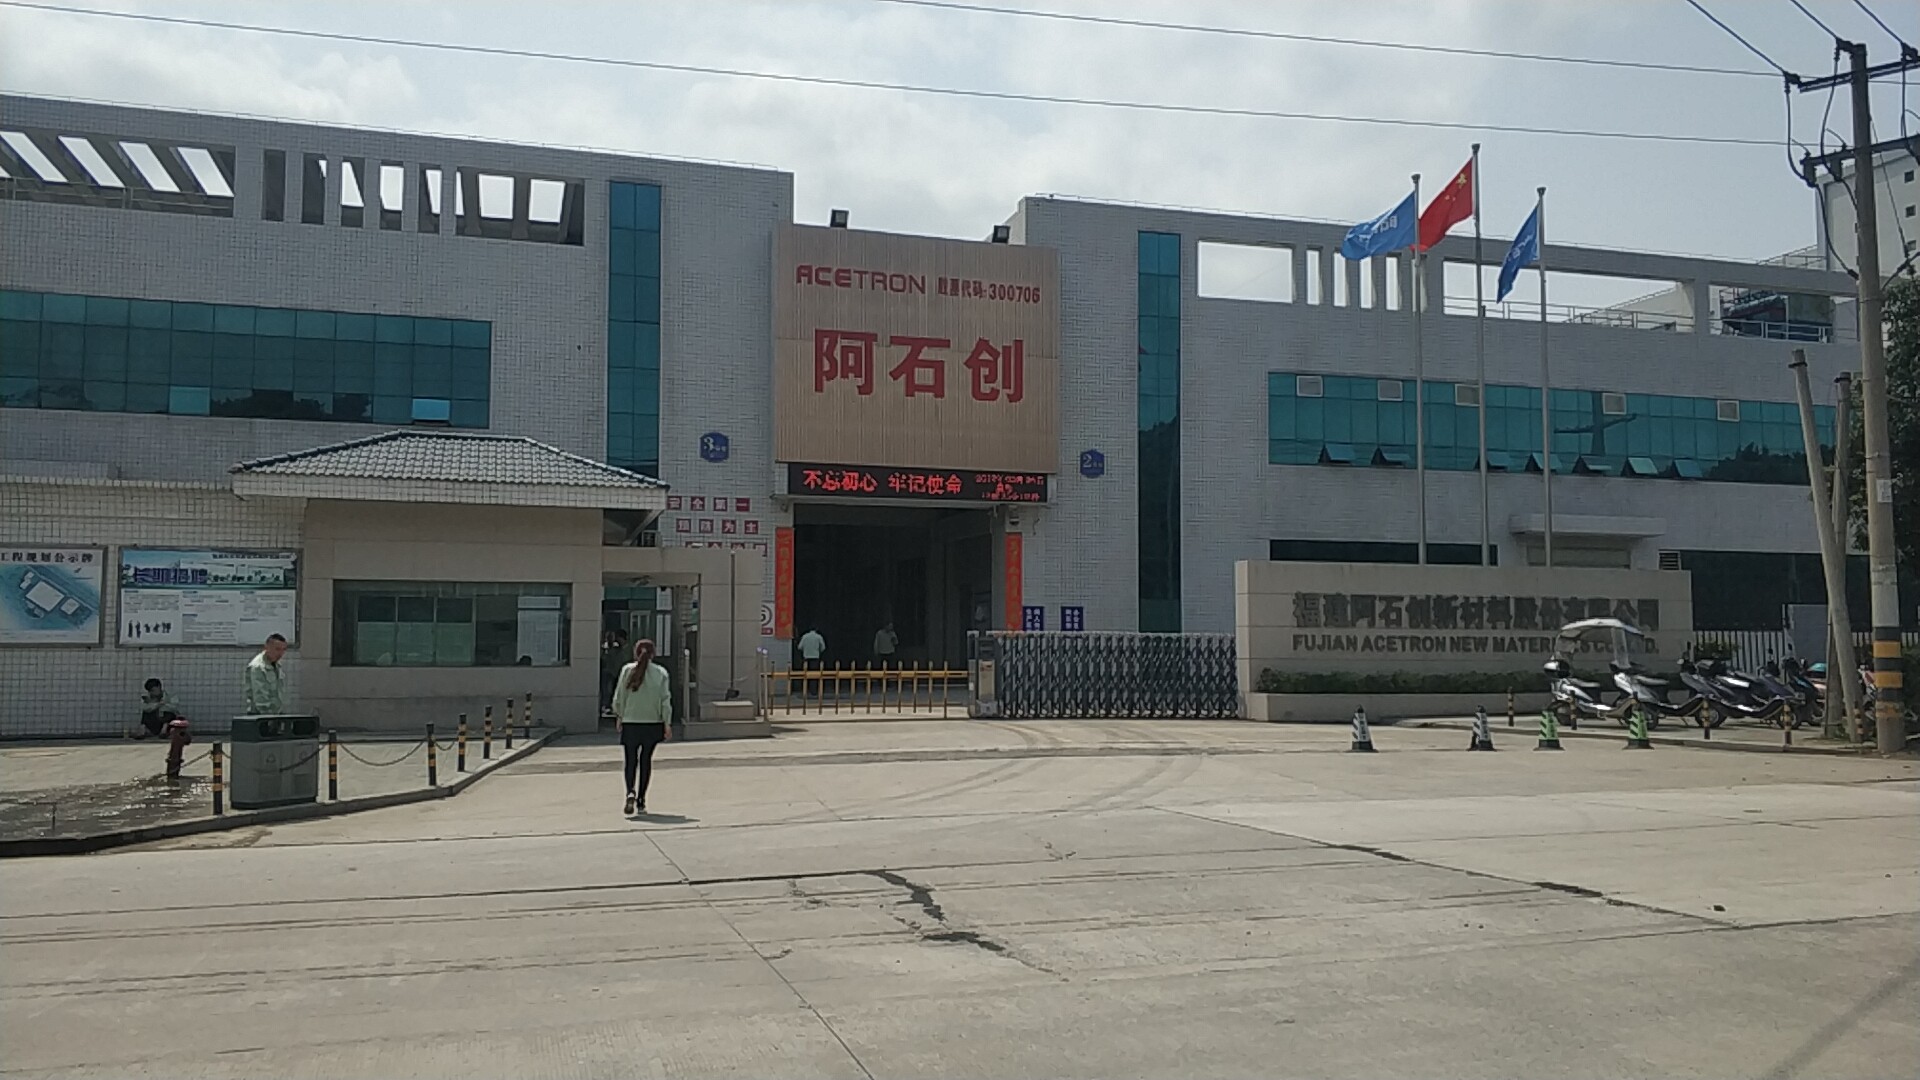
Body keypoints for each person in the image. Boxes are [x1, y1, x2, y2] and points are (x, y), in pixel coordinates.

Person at [611, 637, 672, 816]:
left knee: (630, 760)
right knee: (646, 761)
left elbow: (619, 696)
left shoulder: (626, 670)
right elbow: (665, 700)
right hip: (652, 723)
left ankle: (630, 791)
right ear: (653, 654)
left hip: (630, 722)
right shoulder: (661, 673)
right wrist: (667, 723)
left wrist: (619, 715)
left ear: (635, 653)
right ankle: (641, 801)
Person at [244, 634, 288, 715]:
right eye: (277, 649)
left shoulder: (276, 665)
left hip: (275, 713)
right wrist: (268, 716)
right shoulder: (258, 667)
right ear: (266, 648)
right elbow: (260, 697)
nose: (281, 653)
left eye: (283, 649)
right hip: (260, 715)